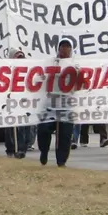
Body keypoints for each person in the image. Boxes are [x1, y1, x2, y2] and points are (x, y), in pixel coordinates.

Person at [37, 39, 77, 167]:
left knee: (65, 134)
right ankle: (44, 151)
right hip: (50, 102)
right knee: (43, 129)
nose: (65, 50)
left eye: (68, 47)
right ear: (58, 49)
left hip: (67, 104)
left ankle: (61, 160)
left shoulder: (75, 64)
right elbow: (40, 77)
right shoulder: (50, 63)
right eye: (63, 47)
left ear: (71, 50)